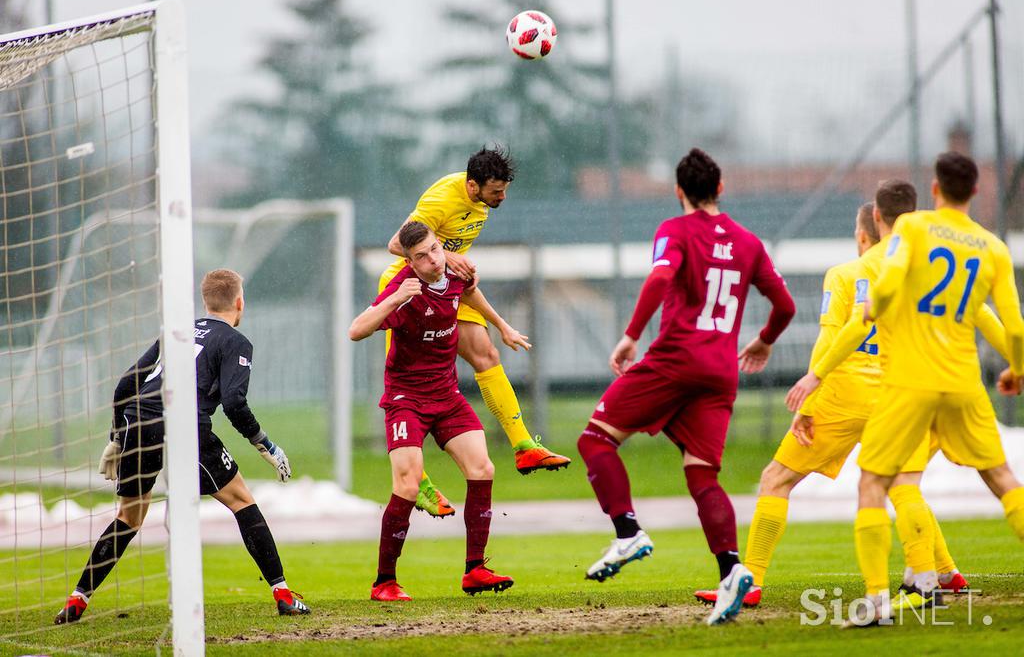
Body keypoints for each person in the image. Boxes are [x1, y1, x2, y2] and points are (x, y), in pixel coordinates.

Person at [731, 184, 997, 613]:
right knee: (904, 486)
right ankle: (942, 573)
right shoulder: (923, 268)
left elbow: (832, 338)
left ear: (865, 233)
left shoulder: (847, 273)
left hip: (844, 393)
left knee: (776, 480)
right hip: (901, 391)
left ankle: (753, 580)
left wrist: (809, 400)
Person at [576, 148, 796, 625]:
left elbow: (659, 278)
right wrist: (762, 343)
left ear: (679, 191)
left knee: (595, 439)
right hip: (721, 372)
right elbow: (785, 306)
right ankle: (732, 570)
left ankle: (628, 531)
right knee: (702, 476)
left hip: (676, 358)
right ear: (720, 189)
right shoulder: (749, 243)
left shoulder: (673, 230)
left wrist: (632, 336)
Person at [55, 269, 309, 624]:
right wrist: (264, 443)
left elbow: (126, 383)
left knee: (129, 517)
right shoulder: (236, 341)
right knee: (241, 500)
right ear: (239, 302)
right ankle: (283, 595)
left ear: (205, 302)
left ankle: (77, 600)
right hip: (184, 423)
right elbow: (234, 402)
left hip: (137, 419)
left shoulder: (175, 330)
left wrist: (116, 437)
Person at [850, 152, 1024, 625]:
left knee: (873, 483)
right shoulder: (993, 247)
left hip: (910, 381)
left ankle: (876, 601)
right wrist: (1016, 369)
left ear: (934, 189)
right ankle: (926, 577)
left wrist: (873, 307)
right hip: (964, 382)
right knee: (1003, 479)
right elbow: (1015, 327)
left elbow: (888, 280)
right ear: (975, 191)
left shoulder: (913, 228)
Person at [379, 147, 569, 519]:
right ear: (472, 185)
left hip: (447, 286)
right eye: (496, 191)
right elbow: (396, 244)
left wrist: (502, 325)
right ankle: (417, 482)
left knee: (487, 355)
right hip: (410, 290)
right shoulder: (442, 198)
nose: (502, 198)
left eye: (504, 190)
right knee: (404, 381)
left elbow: (454, 254)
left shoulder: (482, 203)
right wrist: (448, 258)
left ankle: (524, 446)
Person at [352, 221, 530, 601]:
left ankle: (475, 570)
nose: (434, 260)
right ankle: (384, 582)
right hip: (406, 400)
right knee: (408, 484)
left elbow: (470, 293)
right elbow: (356, 330)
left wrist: (502, 326)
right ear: (410, 262)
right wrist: (394, 298)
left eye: (435, 249)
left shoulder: (453, 271)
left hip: (446, 396)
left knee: (483, 468)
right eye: (422, 257)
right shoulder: (403, 289)